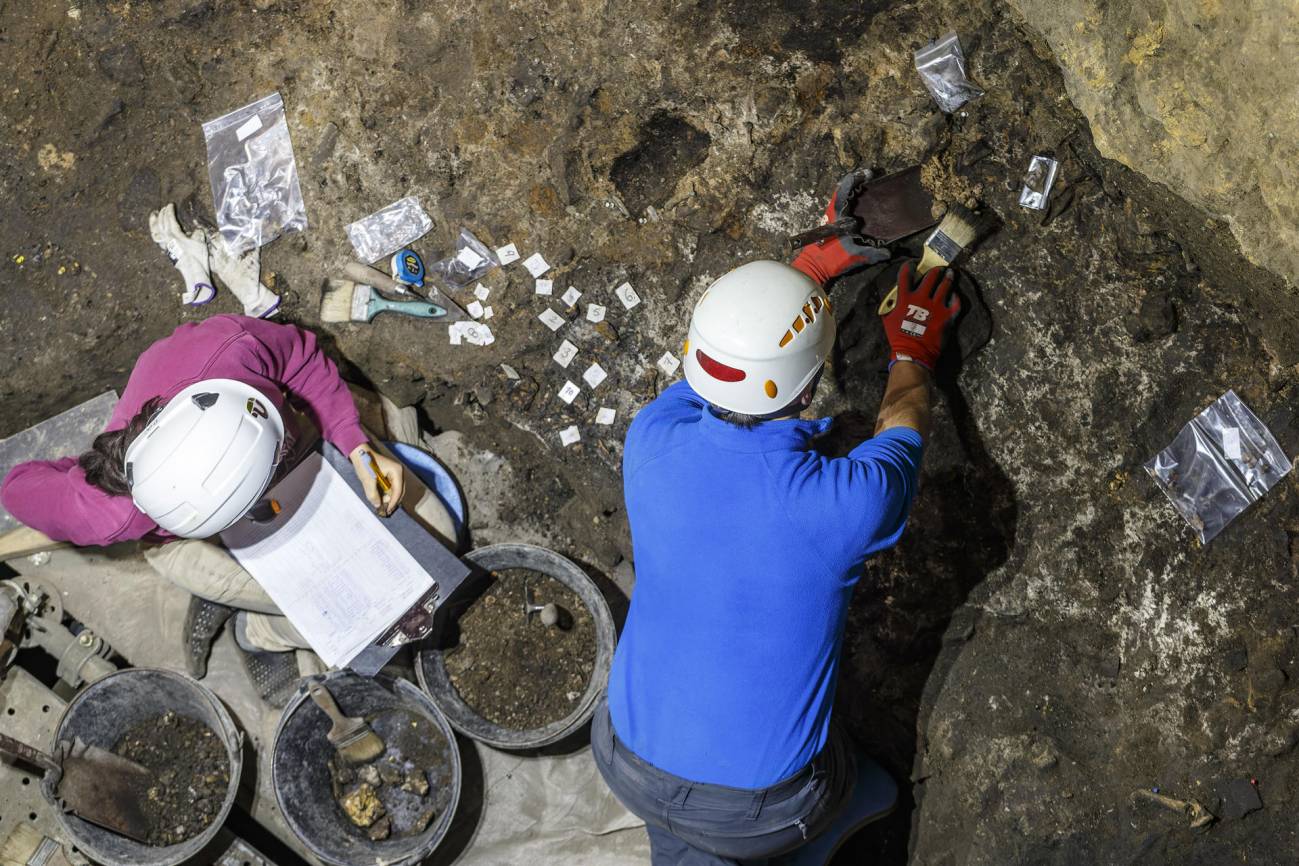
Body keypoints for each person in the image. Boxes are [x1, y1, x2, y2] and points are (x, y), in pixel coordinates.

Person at [592, 174, 961, 864]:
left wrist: (810, 270)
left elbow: (725, 372)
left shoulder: (652, 436)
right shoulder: (842, 505)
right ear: (809, 384)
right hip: (763, 810)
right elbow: (903, 422)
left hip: (622, 757)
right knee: (838, 786)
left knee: (690, 831)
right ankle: (816, 828)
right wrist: (912, 347)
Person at [0, 314, 447, 703]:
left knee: (440, 537)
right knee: (342, 607)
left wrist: (356, 447)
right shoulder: (109, 512)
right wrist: (81, 472)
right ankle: (257, 636)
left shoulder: (231, 353)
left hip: (301, 456)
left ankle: (262, 605)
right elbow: (15, 487)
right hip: (193, 543)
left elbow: (304, 361)